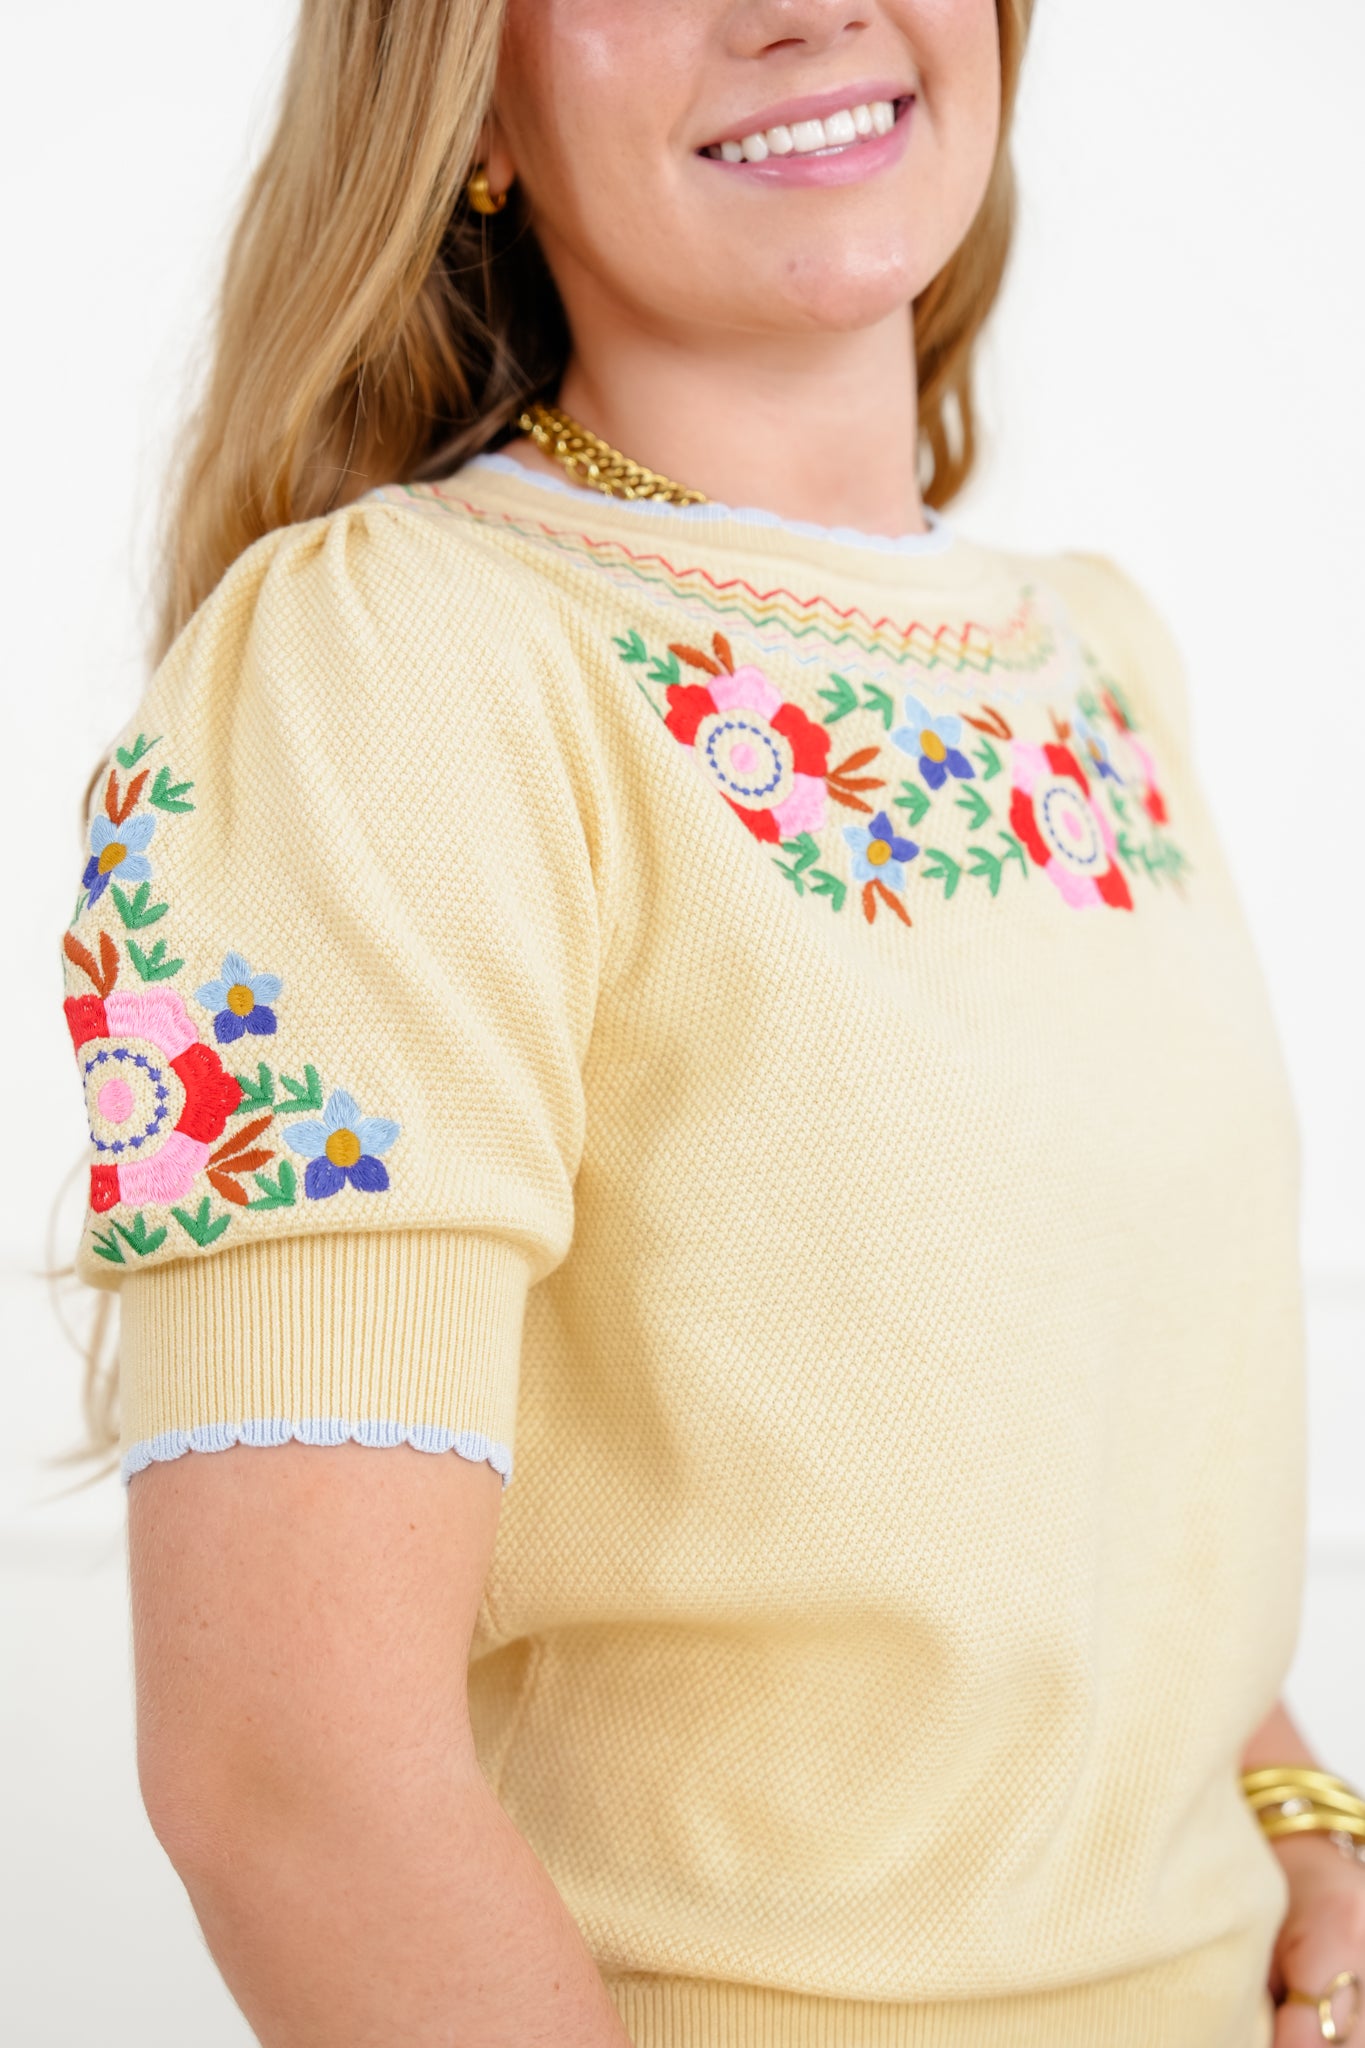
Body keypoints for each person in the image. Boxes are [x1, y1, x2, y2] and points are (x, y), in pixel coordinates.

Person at [57, 2, 1365, 2044]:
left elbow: (1065, 1467)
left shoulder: (1099, 654)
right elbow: (289, 1788)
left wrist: (1289, 1812)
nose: (801, 10)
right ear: (470, 99)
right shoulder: (387, 671)